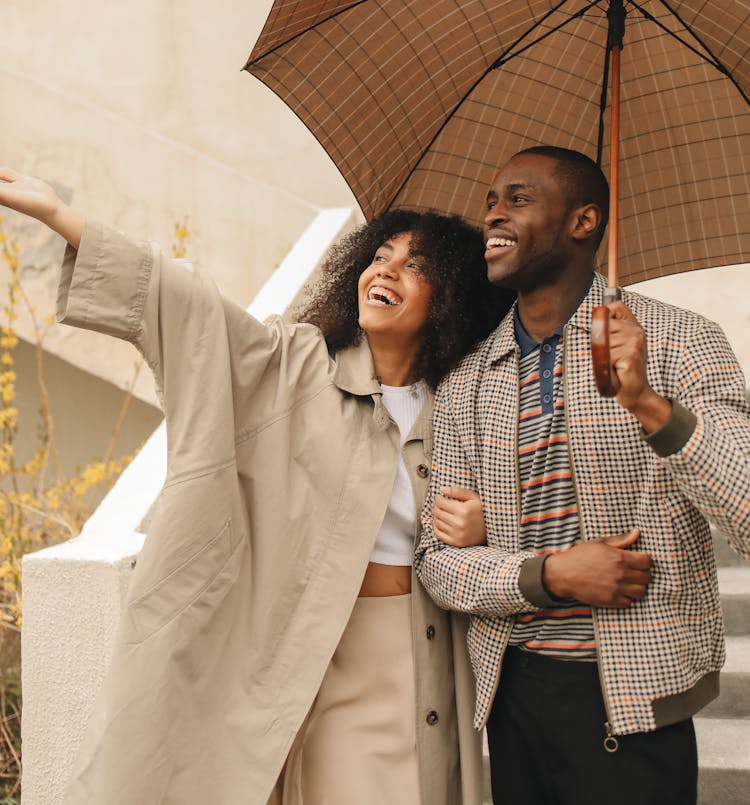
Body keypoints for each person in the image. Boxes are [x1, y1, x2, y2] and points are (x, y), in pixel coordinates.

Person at [0, 167, 511, 805]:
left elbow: (521, 511)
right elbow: (191, 309)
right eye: (379, 257)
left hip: (415, 648)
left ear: (451, 296)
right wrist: (60, 216)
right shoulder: (293, 365)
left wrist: (483, 527)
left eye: (413, 267)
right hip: (304, 638)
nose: (384, 272)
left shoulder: (467, 400)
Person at [415, 145, 750, 805]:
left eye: (517, 198)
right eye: (490, 201)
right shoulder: (467, 381)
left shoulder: (684, 341)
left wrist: (648, 403)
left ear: (583, 221)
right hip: (513, 703)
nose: (493, 216)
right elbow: (437, 561)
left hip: (637, 700)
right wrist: (552, 574)